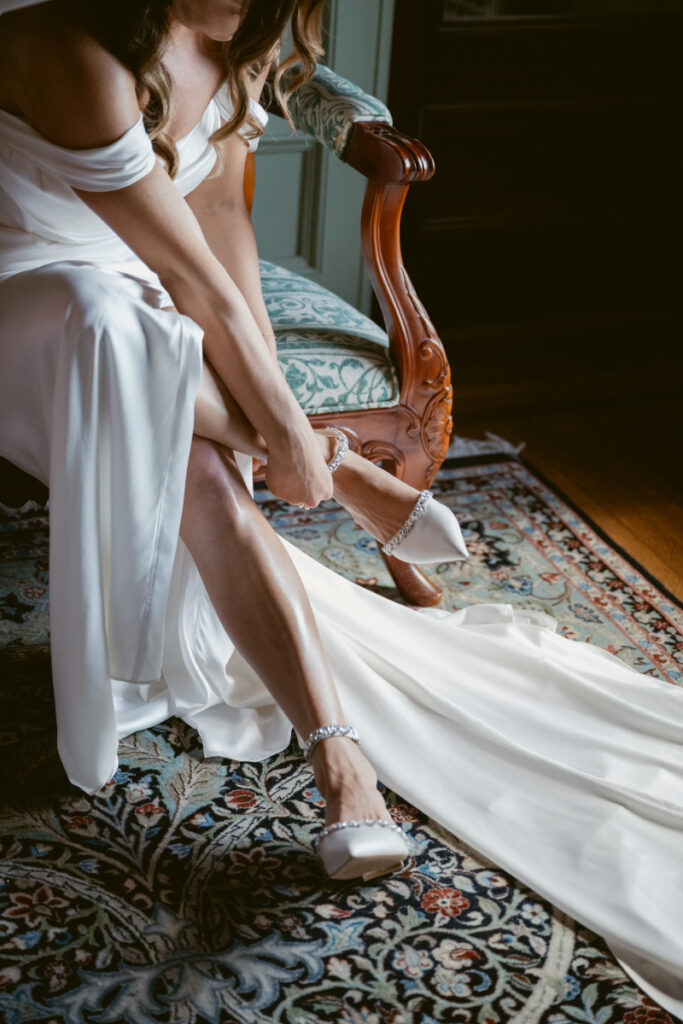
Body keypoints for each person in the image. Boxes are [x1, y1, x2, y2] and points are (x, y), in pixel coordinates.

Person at [0, 0, 682, 1015]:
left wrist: (270, 395)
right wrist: (287, 433)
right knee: (115, 323)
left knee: (191, 450)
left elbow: (220, 227)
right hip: (22, 291)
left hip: (143, 316)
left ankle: (339, 760)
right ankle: (351, 472)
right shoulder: (66, 45)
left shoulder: (238, 44)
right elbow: (186, 270)